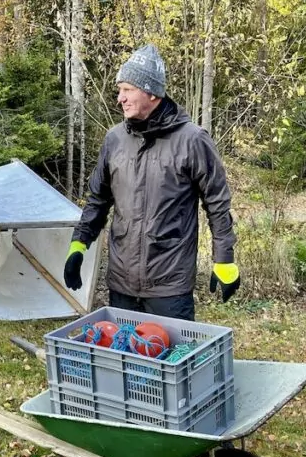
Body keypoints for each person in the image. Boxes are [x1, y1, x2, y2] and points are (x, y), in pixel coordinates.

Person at [63, 44, 240, 321]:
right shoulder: (115, 140)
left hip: (169, 285)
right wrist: (78, 246)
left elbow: (217, 203)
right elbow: (98, 199)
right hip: (121, 283)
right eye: (119, 90)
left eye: (127, 89)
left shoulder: (192, 140)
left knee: (170, 361)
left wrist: (224, 259)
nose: (120, 98)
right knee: (125, 360)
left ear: (152, 93)